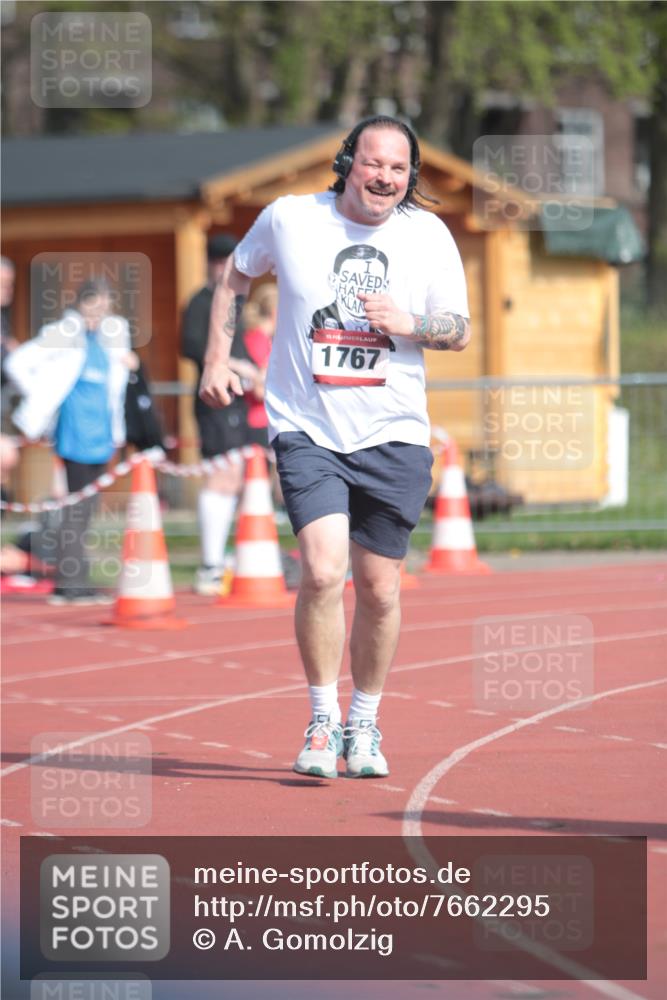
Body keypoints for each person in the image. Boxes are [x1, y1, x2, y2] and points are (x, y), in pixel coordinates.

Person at [200, 115, 470, 779]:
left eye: (398, 169)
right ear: (350, 162)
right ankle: (322, 719)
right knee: (322, 571)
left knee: (379, 588)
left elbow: (458, 329)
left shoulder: (426, 235)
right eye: (373, 163)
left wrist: (412, 324)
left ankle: (364, 721)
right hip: (307, 427)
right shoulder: (292, 220)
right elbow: (234, 277)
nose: (383, 177)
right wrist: (217, 357)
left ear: (409, 178)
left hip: (393, 433)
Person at [6, 278, 132, 605]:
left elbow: (113, 392)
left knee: (87, 510)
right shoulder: (63, 335)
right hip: (74, 435)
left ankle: (77, 579)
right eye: (94, 306)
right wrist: (42, 399)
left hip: (101, 437)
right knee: (75, 508)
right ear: (81, 304)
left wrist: (117, 433)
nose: (98, 314)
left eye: (104, 308)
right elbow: (17, 364)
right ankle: (69, 583)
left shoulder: (107, 341)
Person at [181, 233, 258, 596]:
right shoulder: (200, 302)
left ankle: (221, 559)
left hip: (238, 400)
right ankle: (210, 564)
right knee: (221, 474)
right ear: (214, 263)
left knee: (236, 476)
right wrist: (234, 363)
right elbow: (191, 346)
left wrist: (253, 370)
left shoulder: (233, 301)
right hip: (214, 400)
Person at [242, 282, 278, 448]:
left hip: (265, 419)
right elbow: (259, 389)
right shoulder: (259, 341)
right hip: (258, 420)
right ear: (274, 313)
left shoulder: (263, 339)